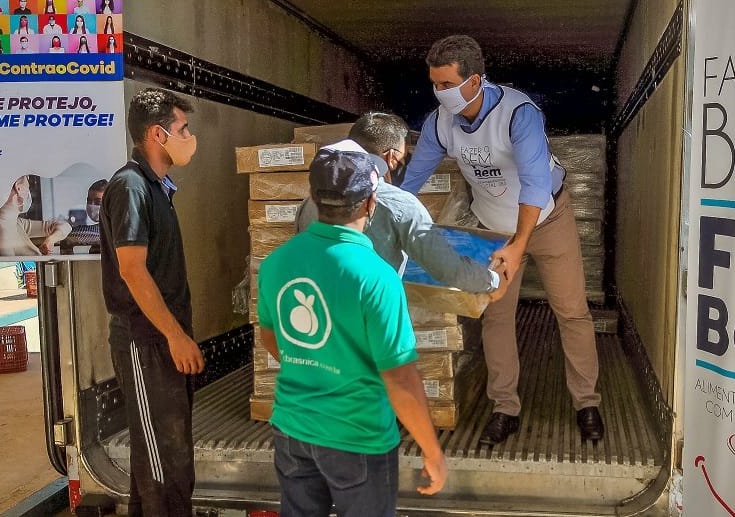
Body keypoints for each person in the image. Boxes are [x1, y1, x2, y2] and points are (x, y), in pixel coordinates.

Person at [402, 35, 605, 445]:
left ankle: (586, 402)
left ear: (474, 81)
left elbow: (533, 185)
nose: (438, 94)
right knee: (495, 315)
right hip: (493, 226)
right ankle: (504, 408)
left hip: (546, 220)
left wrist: (519, 244)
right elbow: (413, 180)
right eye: (434, 84)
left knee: (571, 310)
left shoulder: (518, 113)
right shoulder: (439, 123)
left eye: (446, 85)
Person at [259, 139, 448, 516]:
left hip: (292, 431)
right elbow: (400, 379)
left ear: (313, 197)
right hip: (357, 437)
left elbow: (271, 336)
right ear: (370, 204)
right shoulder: (376, 276)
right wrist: (432, 451)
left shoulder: (277, 262)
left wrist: (315, 361)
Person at [99, 88, 201, 516]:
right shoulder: (131, 187)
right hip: (146, 341)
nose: (189, 136)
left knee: (162, 454)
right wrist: (175, 337)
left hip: (162, 341)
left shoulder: (156, 186)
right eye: (183, 129)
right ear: (158, 134)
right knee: (165, 462)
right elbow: (132, 270)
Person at [296, 112, 504, 297]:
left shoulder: (308, 203)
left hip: (316, 314)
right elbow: (448, 269)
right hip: (370, 315)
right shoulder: (399, 205)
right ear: (390, 157)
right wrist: (492, 280)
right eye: (401, 159)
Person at [0, 175, 71, 256]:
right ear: (19, 188)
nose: (29, 189)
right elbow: (9, 270)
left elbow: (65, 226)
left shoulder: (16, 223)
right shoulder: (0, 233)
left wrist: (50, 240)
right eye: (28, 182)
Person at [60, 179, 106, 254]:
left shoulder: (113, 228)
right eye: (89, 201)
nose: (92, 205)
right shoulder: (88, 224)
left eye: (98, 202)